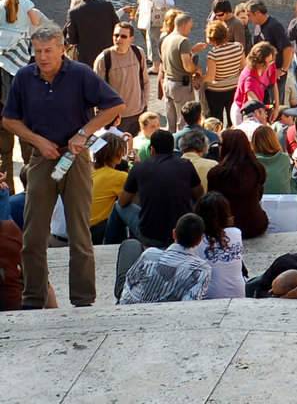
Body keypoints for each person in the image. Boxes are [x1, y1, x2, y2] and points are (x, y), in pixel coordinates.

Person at [3, 25, 124, 307]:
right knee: (33, 235)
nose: (42, 57)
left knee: (79, 232)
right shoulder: (24, 77)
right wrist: (36, 140)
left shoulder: (80, 74)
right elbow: (9, 119)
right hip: (41, 158)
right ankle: (33, 297)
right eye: (38, 51)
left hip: (75, 158)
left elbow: (115, 105)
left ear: (61, 49)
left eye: (48, 51)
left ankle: (83, 299)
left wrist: (84, 133)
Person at [115, 213, 212, 305]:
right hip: (164, 311)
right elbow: (190, 303)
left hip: (131, 303)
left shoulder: (150, 255)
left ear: (174, 233)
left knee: (130, 244)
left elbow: (130, 281)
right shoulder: (202, 269)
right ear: (199, 240)